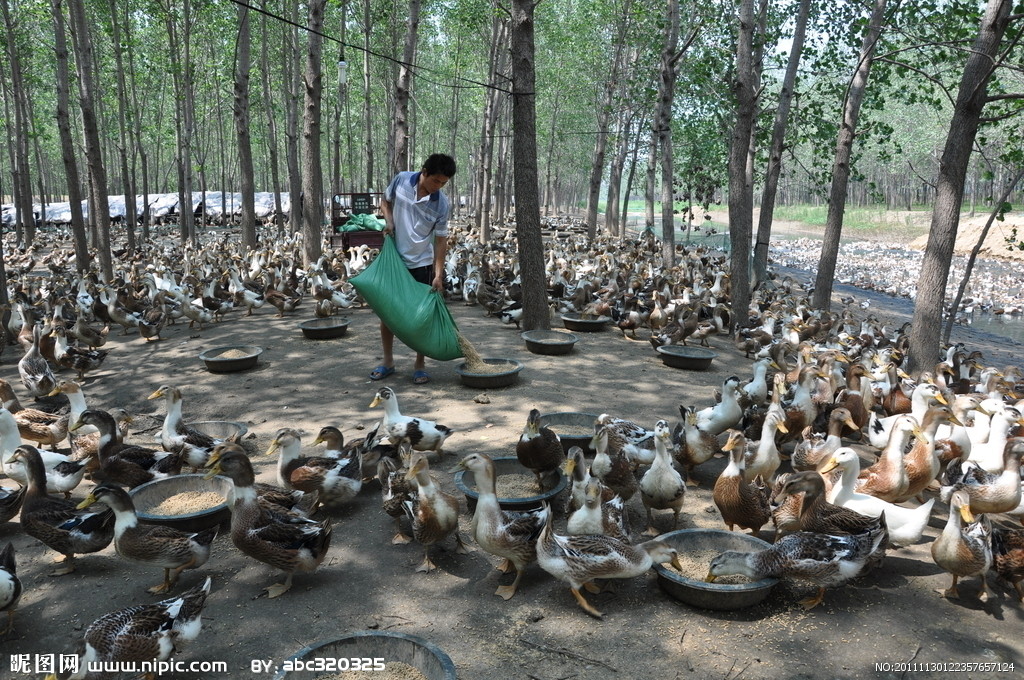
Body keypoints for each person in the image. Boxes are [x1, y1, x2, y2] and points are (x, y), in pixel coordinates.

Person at [369, 153, 456, 385]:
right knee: (387, 314)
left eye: (444, 183)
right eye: (436, 180)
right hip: (395, 261)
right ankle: (388, 361)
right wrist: (389, 222)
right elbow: (385, 201)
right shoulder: (401, 180)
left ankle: (419, 364)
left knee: (421, 317)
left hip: (422, 264)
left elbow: (440, 241)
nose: (438, 186)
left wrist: (438, 275)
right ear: (424, 172)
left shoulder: (441, 204)